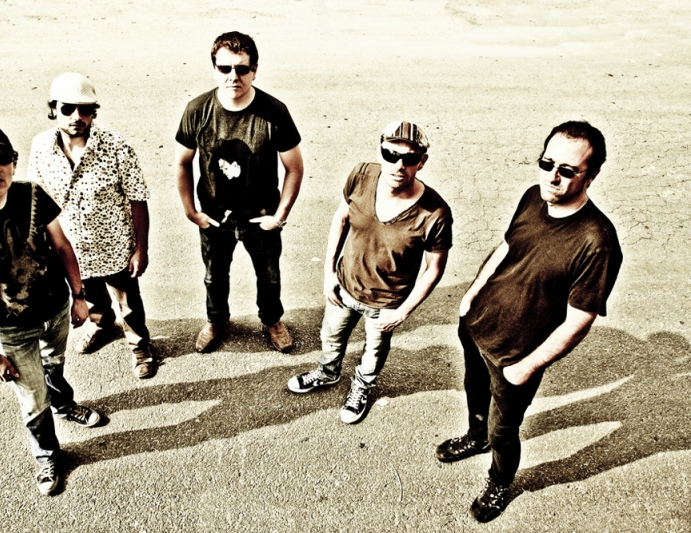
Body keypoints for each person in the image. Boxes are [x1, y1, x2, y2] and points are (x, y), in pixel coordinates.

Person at [436, 121, 623, 522]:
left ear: (591, 175)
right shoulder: (532, 197)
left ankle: (499, 481)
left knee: (504, 431)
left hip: (516, 355)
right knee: (474, 390)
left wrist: (527, 366)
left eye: (567, 171)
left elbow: (579, 320)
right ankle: (475, 436)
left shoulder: (598, 242)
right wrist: (471, 296)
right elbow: (507, 247)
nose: (552, 177)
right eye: (546, 163)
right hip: (477, 326)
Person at [0, 125, 102, 496]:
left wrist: (79, 296)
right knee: (32, 397)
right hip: (13, 328)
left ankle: (64, 404)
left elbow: (62, 246)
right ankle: (47, 455)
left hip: (57, 307)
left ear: (13, 162)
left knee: (54, 362)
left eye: (3, 159)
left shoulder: (33, 196)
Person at [287, 121, 452, 424]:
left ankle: (361, 387)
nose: (398, 165)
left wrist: (402, 312)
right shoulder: (361, 176)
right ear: (380, 152)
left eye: (410, 158)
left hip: (386, 303)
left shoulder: (435, 213)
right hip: (344, 286)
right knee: (330, 337)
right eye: (390, 155)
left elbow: (434, 269)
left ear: (422, 162)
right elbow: (341, 217)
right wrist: (329, 273)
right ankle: (327, 372)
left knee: (373, 353)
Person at [175, 31, 304, 354]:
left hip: (261, 217)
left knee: (269, 276)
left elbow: (294, 168)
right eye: (224, 68)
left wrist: (279, 216)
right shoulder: (197, 110)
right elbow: (182, 163)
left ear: (254, 70)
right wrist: (191, 212)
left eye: (242, 68)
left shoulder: (274, 112)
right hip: (214, 218)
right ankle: (216, 320)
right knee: (214, 277)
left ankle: (272, 320)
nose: (233, 76)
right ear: (214, 69)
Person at [28, 72, 155, 379]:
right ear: (54, 108)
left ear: (93, 112)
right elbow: (36, 199)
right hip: (71, 249)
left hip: (115, 246)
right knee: (90, 293)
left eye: (85, 109)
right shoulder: (41, 147)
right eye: (67, 108)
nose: (77, 117)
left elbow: (138, 199)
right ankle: (101, 322)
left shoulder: (116, 147)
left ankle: (140, 345)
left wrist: (141, 248)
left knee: (128, 303)